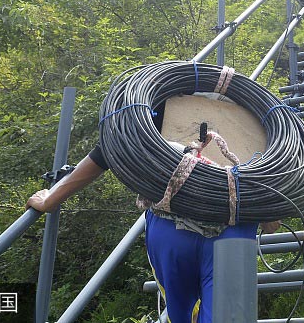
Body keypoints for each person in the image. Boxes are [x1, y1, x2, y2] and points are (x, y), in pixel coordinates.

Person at [27, 105, 278, 323]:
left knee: (182, 314)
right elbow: (272, 219)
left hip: (171, 230)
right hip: (234, 233)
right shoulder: (258, 121)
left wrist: (51, 199)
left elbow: (107, 151)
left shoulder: (158, 104)